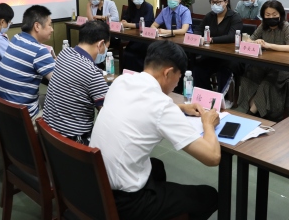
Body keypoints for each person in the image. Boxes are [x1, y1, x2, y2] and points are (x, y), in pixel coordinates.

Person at [90, 40, 220, 220]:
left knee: (157, 167)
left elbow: (142, 107)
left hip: (96, 183)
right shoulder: (162, 106)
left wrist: (181, 107)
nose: (176, 84)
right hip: (125, 202)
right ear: (168, 73)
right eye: (178, 78)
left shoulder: (121, 81)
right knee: (209, 196)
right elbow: (212, 157)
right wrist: (208, 123)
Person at [43, 21, 110, 145]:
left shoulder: (64, 53)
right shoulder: (92, 73)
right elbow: (108, 114)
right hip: (73, 143)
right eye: (106, 47)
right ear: (100, 44)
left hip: (49, 135)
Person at [237, 0, 289, 121]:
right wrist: (256, 42)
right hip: (265, 64)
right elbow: (249, 40)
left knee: (266, 84)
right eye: (268, 15)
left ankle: (251, 114)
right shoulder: (262, 26)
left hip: (284, 67)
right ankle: (257, 111)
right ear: (263, 16)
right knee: (248, 78)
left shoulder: (286, 26)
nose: (271, 17)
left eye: (274, 14)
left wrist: (268, 45)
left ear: (280, 14)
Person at [0, 5, 55, 122]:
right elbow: (62, 84)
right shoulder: (39, 51)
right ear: (37, 26)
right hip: (23, 119)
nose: (52, 29)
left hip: (3, 111)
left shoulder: (16, 38)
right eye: (49, 25)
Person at [193, 0, 243, 92]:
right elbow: (198, 29)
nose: (215, 5)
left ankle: (223, 98)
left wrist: (211, 40)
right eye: (212, 2)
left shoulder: (235, 17)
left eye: (218, 2)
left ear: (226, 2)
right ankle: (206, 95)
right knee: (198, 69)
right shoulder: (210, 16)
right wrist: (197, 37)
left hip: (229, 57)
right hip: (212, 55)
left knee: (224, 71)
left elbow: (232, 36)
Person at [120, 0, 155, 72]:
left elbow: (146, 24)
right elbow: (125, 20)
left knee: (135, 54)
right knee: (127, 53)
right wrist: (124, 22)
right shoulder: (131, 8)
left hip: (147, 38)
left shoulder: (148, 7)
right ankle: (128, 74)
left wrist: (128, 24)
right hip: (136, 38)